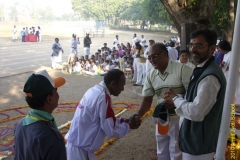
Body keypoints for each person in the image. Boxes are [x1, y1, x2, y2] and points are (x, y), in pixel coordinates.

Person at [163, 29, 226, 160]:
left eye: (199, 46)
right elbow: (193, 101)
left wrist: (175, 99)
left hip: (200, 145)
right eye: (191, 45)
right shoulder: (201, 69)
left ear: (212, 48)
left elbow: (196, 112)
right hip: (195, 141)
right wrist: (177, 98)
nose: (193, 49)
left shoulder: (210, 77)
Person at [131, 43, 192, 160]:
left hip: (179, 120)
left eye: (154, 56)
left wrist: (176, 100)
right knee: (161, 151)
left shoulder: (182, 70)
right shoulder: (151, 75)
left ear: (165, 54)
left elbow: (192, 96)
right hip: (162, 119)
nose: (152, 60)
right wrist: (138, 116)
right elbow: (147, 99)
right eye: (149, 58)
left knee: (177, 152)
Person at [65, 69, 141, 160]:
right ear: (113, 84)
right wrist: (128, 125)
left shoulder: (94, 90)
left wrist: (122, 120)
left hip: (77, 145)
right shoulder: (103, 97)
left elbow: (102, 119)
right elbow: (111, 129)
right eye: (122, 85)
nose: (123, 89)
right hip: (81, 151)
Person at [14, 70, 67, 160]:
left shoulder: (20, 124)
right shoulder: (51, 138)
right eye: (56, 91)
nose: (58, 96)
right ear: (49, 99)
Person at [219, 40, 240, 104]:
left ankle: (233, 113)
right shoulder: (225, 55)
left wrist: (229, 68)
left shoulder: (233, 55)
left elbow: (236, 66)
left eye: (219, 48)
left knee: (235, 96)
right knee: (229, 96)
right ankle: (230, 112)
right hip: (227, 78)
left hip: (234, 79)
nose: (219, 50)